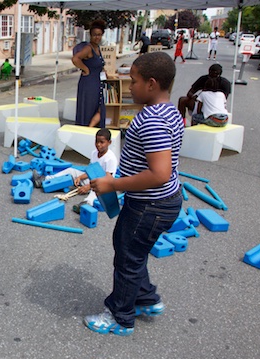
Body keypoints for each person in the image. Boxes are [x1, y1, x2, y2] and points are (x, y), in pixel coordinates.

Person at [83, 51, 183, 336]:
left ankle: (120, 316)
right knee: (133, 252)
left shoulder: (151, 119)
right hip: (161, 201)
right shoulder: (170, 111)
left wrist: (113, 185)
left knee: (127, 257)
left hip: (149, 205)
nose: (129, 87)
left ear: (151, 84)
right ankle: (145, 298)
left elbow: (159, 173)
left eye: (134, 81)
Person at [31, 129, 118, 210]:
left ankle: (86, 204)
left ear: (109, 142)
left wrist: (89, 186)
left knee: (96, 191)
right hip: (93, 181)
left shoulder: (110, 159)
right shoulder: (94, 153)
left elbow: (108, 180)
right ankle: (44, 180)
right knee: (71, 171)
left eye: (102, 142)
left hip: (105, 185)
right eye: (96, 141)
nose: (98, 144)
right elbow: (91, 171)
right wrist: (80, 177)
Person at [72, 20, 107, 128]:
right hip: (89, 83)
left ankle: (91, 129)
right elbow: (75, 59)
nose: (97, 37)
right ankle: (86, 130)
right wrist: (85, 69)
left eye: (99, 35)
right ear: (90, 35)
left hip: (97, 82)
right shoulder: (88, 48)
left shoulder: (97, 48)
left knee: (99, 107)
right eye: (95, 35)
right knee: (88, 108)